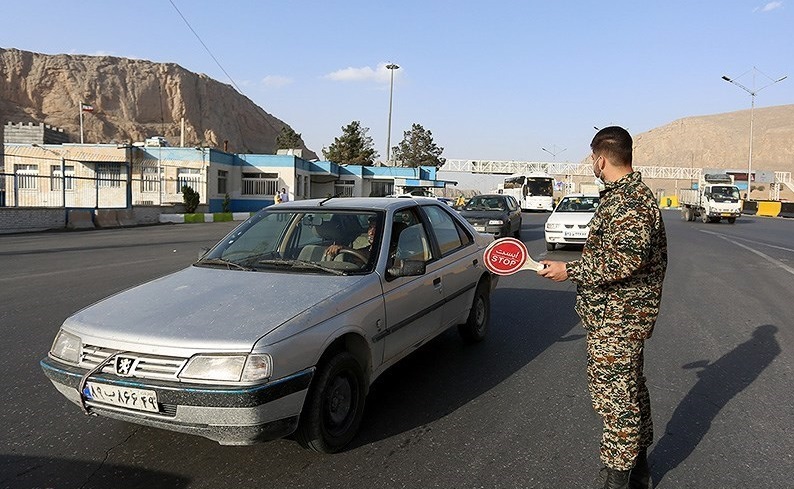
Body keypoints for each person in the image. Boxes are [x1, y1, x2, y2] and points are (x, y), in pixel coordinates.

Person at [537, 126, 667, 489]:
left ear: (600, 160)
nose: (592, 163)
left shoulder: (630, 201)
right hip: (617, 317)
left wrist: (570, 270)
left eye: (592, 158)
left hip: (619, 320)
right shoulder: (623, 196)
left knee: (616, 403)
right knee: (630, 393)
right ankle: (638, 472)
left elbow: (626, 259)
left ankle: (616, 480)